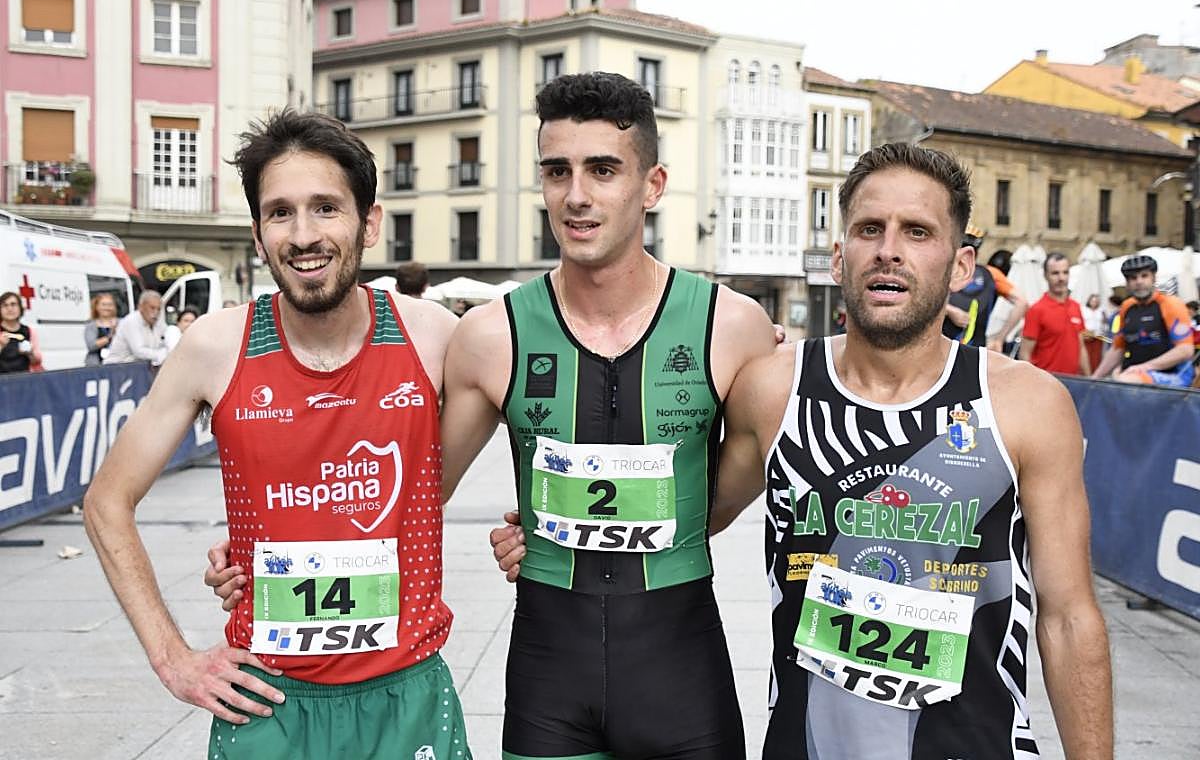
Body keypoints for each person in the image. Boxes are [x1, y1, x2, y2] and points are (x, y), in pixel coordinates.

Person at [696, 142, 1111, 758]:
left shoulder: (1026, 403)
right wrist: (546, 531)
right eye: (870, 229)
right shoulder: (773, 387)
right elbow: (687, 521)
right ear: (840, 257)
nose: (889, 249)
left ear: (961, 265)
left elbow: (1069, 617)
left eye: (917, 231)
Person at [82, 109, 471, 759]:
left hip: (406, 698)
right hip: (269, 706)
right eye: (280, 212)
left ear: (369, 223)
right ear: (259, 236)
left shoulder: (433, 336)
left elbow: (480, 464)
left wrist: (528, 531)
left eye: (326, 208)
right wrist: (173, 658)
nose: (304, 234)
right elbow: (106, 501)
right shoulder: (215, 346)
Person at [440, 72, 776, 758]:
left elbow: (722, 500)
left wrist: (591, 526)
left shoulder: (732, 326)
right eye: (556, 171)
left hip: (681, 673)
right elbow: (415, 495)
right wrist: (263, 548)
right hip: (547, 678)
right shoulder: (490, 334)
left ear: (652, 185)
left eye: (602, 170)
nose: (577, 196)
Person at [1092, 254, 1195, 387]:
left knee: (1124, 381)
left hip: (1174, 376)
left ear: (1154, 278)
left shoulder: (1171, 304)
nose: (1139, 281)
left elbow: (1185, 350)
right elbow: (1117, 348)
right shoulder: (1127, 307)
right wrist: (1094, 378)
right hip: (1136, 374)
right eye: (1133, 278)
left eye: (1144, 276)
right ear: (1127, 283)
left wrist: (1144, 367)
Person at [942, 226, 1027, 351]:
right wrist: (999, 338)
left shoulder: (943, 270)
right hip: (974, 349)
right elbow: (1022, 302)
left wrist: (948, 310)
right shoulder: (991, 273)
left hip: (948, 347)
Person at [1018, 252, 1090, 375]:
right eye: (1055, 273)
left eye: (1065, 272)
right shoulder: (1036, 310)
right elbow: (1025, 354)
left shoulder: (1076, 307)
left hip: (1073, 383)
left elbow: (1080, 346)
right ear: (1046, 275)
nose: (1061, 278)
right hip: (1046, 384)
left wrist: (1089, 379)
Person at [104, 290, 167, 366]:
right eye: (152, 308)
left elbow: (166, 343)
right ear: (141, 307)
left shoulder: (159, 323)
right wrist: (162, 354)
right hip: (117, 367)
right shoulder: (131, 321)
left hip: (141, 367)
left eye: (158, 309)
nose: (156, 312)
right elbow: (139, 351)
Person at [0, 290, 42, 374]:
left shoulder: (29, 331)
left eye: (13, 304)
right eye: (5, 305)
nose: (9, 308)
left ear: (20, 308)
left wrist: (30, 354)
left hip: (24, 381)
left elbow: (37, 362)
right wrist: (1, 345)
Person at [84, 292, 120, 366]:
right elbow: (91, 345)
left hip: (117, 362)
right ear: (97, 307)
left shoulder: (121, 323)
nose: (107, 308)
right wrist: (110, 336)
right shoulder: (91, 325)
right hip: (96, 364)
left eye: (110, 305)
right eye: (103, 305)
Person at [1081, 292, 1106, 371]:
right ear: (1089, 301)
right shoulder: (1084, 310)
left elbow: (1104, 323)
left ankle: (1095, 372)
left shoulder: (1101, 311)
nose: (1094, 303)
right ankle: (1087, 371)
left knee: (1097, 355)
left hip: (1098, 335)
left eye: (1096, 301)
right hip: (1087, 335)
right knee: (1087, 354)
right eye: (1093, 301)